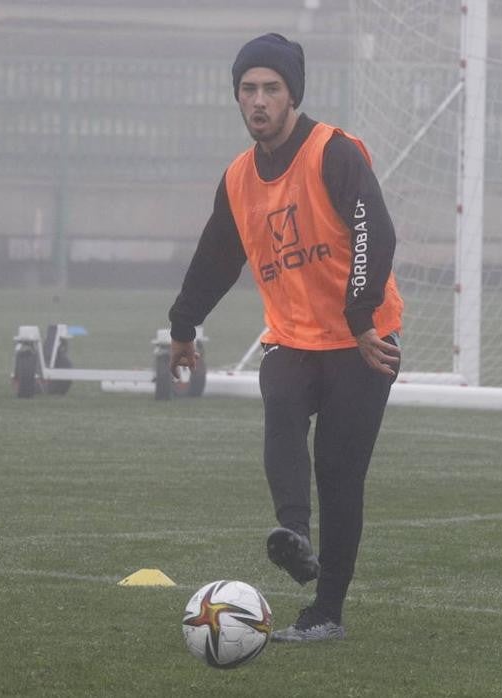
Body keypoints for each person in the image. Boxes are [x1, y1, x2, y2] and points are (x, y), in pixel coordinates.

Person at [168, 33, 403, 643]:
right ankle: (293, 535)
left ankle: (326, 611)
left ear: (293, 94)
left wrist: (360, 318)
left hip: (364, 338)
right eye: (248, 89)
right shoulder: (239, 178)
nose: (259, 100)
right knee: (281, 405)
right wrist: (183, 327)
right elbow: (217, 257)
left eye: (272, 88)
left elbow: (374, 232)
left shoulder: (334, 151)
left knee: (340, 472)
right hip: (293, 337)